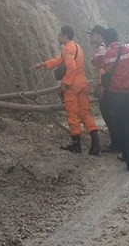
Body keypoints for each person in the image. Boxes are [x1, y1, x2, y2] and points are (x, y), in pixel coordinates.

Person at [33, 26, 101, 155]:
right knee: (85, 113)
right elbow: (60, 60)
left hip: (73, 87)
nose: (58, 37)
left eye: (59, 35)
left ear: (64, 36)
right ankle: (96, 144)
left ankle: (76, 144)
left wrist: (64, 84)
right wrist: (43, 64)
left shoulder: (66, 48)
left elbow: (71, 67)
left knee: (72, 114)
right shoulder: (77, 47)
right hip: (82, 83)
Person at [93, 28, 129, 170]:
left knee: (121, 125)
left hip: (116, 96)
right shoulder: (128, 48)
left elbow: (96, 62)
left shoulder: (106, 53)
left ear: (106, 40)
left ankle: (125, 154)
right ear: (117, 38)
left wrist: (102, 47)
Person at [86, 25, 120, 153]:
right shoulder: (105, 47)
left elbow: (101, 68)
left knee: (110, 115)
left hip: (104, 86)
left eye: (92, 34)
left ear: (99, 35)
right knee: (111, 116)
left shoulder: (102, 48)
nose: (90, 38)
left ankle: (117, 144)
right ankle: (117, 142)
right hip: (108, 85)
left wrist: (99, 86)